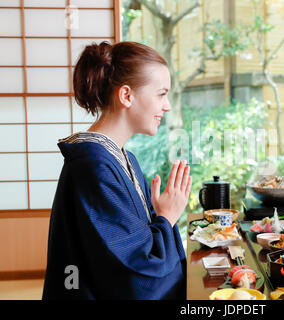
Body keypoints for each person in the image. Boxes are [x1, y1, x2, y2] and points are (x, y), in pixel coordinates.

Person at [42, 41, 191, 300]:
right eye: (161, 94)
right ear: (126, 95)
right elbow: (132, 273)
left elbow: (134, 243)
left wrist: (158, 215)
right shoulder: (92, 166)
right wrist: (166, 218)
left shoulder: (124, 158)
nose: (166, 106)